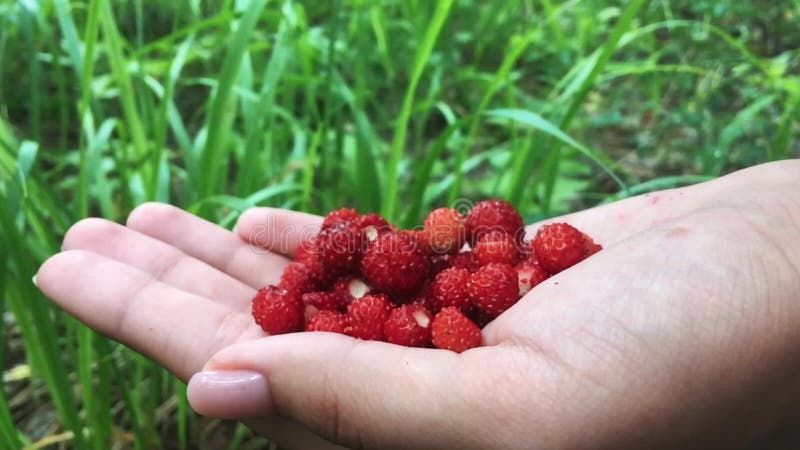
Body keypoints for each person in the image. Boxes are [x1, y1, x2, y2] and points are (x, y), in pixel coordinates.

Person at [35, 160, 800, 449]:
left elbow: (464, 278)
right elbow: (401, 283)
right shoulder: (386, 276)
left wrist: (777, 238)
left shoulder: (482, 268)